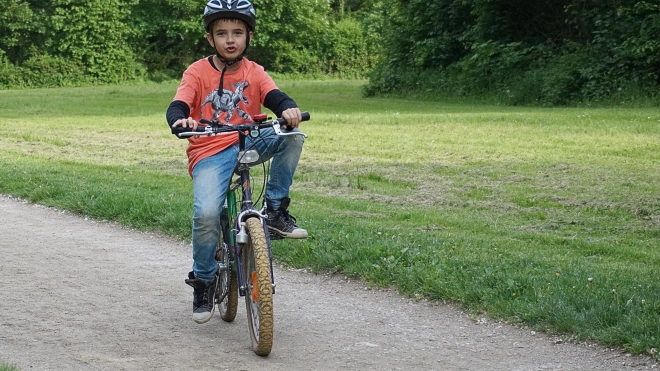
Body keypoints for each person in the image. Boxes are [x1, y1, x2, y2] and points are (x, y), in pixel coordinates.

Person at [166, 0, 307, 324]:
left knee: (293, 135)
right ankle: (202, 280)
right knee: (207, 214)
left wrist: (288, 110)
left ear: (249, 36)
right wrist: (180, 121)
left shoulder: (254, 72)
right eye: (222, 33)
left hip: (250, 137)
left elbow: (275, 96)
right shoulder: (197, 72)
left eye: (238, 33)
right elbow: (178, 105)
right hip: (209, 149)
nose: (230, 39)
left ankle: (274, 210)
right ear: (210, 38)